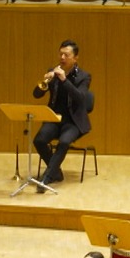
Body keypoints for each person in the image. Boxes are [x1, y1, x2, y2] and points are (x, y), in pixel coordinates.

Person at [30, 39, 92, 190]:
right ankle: (56, 172)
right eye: (60, 54)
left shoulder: (84, 76)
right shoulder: (54, 72)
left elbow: (80, 98)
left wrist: (64, 79)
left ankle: (47, 177)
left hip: (74, 121)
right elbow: (36, 94)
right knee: (39, 140)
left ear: (75, 58)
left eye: (66, 55)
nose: (62, 58)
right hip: (54, 118)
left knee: (64, 142)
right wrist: (45, 82)